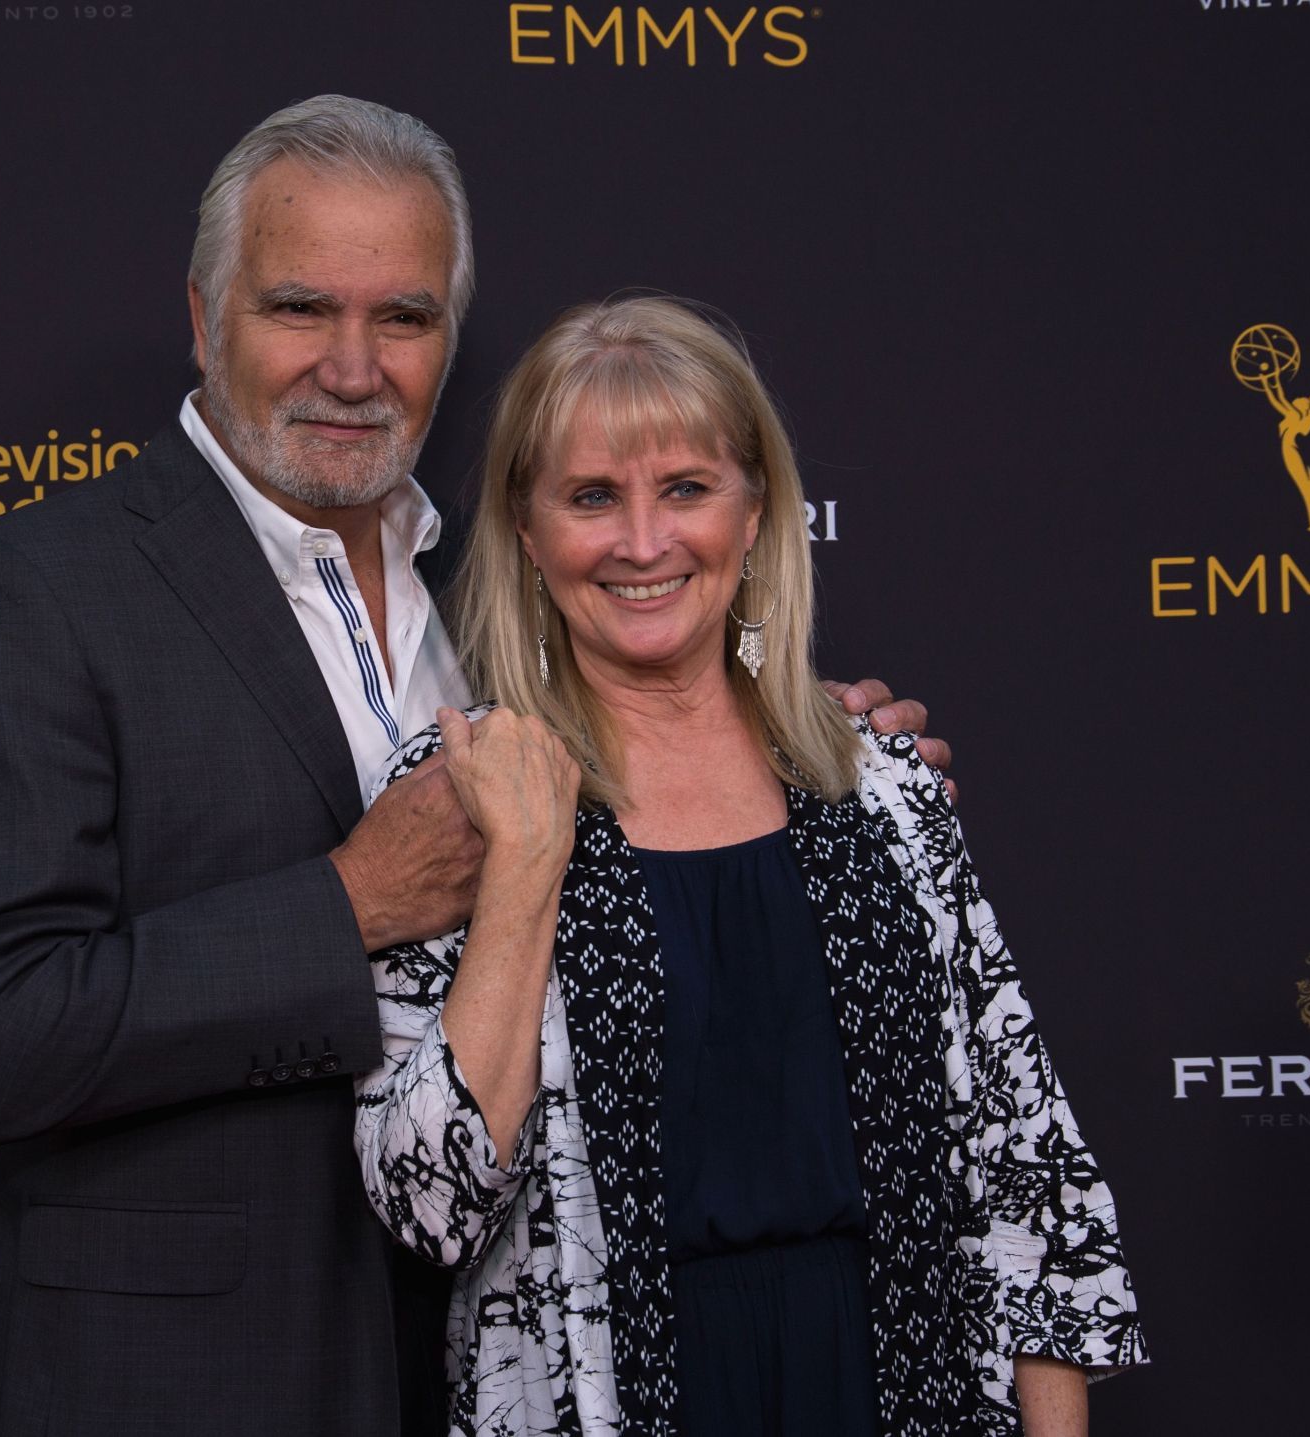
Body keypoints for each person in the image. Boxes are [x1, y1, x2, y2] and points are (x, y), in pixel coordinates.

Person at [0, 98, 943, 1434]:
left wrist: (799, 752)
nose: (353, 366)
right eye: (299, 308)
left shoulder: (504, 599)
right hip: (180, 1385)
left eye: (403, 316)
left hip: (499, 1374)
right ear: (202, 315)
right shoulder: (45, 589)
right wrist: (349, 903)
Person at [354, 297, 1145, 1437]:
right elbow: (431, 1206)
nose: (642, 542)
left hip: (898, 1388)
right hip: (611, 1398)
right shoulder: (463, 786)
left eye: (685, 488)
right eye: (590, 498)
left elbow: (1024, 1162)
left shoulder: (877, 779)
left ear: (757, 505)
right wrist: (525, 861)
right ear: (526, 532)